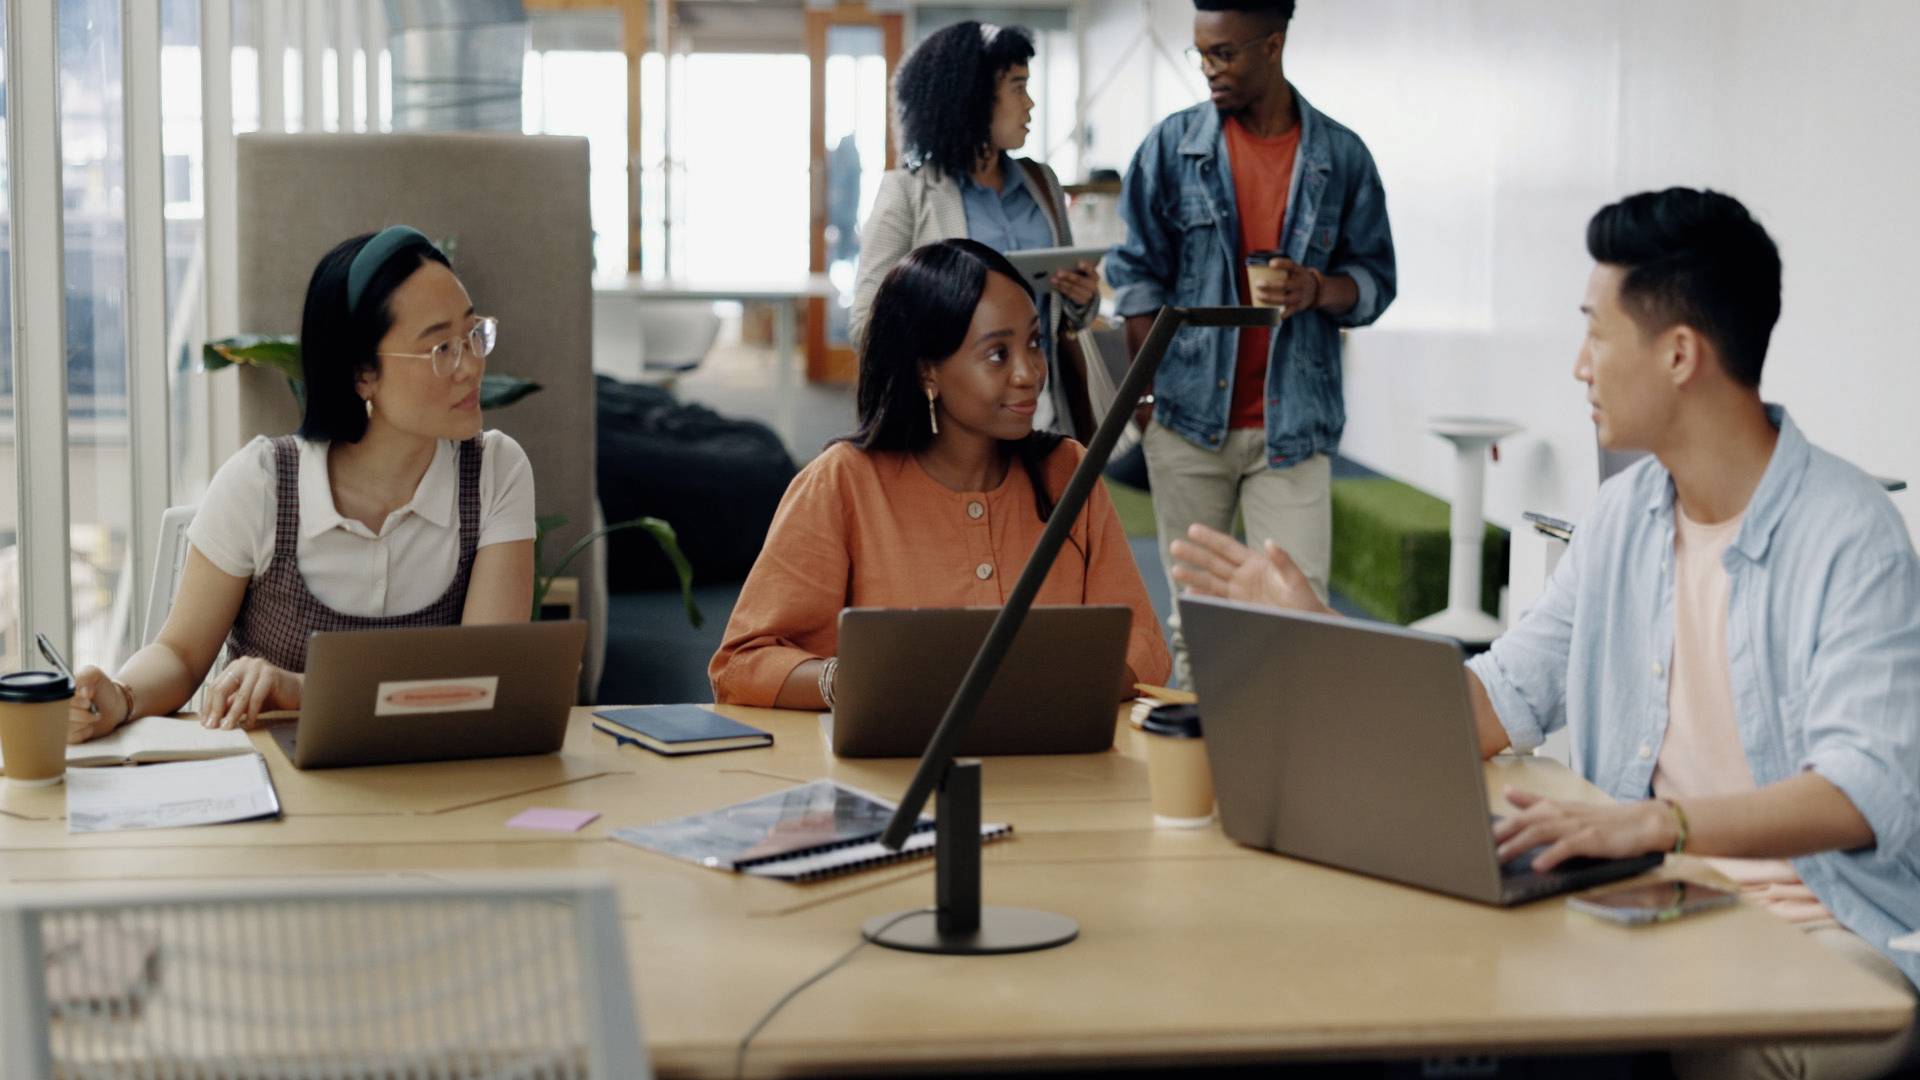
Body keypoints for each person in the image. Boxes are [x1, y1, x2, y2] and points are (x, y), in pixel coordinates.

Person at [1171, 189, 1920, 1080]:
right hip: (1639, 899)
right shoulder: (1622, 517)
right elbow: (1495, 701)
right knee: (1399, 989)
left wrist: (1659, 825)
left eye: (1596, 334)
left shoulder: (1849, 531)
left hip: (1821, 933)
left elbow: (1865, 792)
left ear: (1679, 354)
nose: (1579, 365)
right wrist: (1318, 629)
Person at [67, 226, 537, 737]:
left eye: (473, 334)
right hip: (278, 795)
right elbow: (180, 655)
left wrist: (300, 689)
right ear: (362, 374)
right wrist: (122, 696)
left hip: (431, 789)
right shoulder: (264, 484)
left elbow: (484, 680)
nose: (471, 365)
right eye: (440, 348)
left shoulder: (494, 472)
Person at [712, 239, 1169, 708]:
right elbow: (742, 665)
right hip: (894, 774)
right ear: (927, 371)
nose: (1030, 372)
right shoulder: (841, 482)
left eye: (1033, 342)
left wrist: (1045, 689)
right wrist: (857, 682)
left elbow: (1144, 644)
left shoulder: (1068, 470)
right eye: (998, 354)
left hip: (1064, 766)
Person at [1105, 0, 1396, 687]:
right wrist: (1146, 398)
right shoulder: (1170, 148)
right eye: (1201, 53)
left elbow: (1376, 279)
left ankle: (1283, 783)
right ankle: (1199, 787)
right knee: (1195, 625)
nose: (1210, 69)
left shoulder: (1342, 156)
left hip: (1292, 429)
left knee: (1295, 619)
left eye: (1225, 54)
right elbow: (1135, 277)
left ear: (1274, 45)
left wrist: (1318, 289)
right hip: (1185, 422)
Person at [850, 20, 1102, 440]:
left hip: (1041, 415)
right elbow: (866, 326)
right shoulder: (909, 192)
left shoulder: (1043, 185)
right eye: (1018, 87)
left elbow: (1061, 317)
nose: (1031, 104)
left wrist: (1081, 299)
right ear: (973, 97)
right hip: (953, 430)